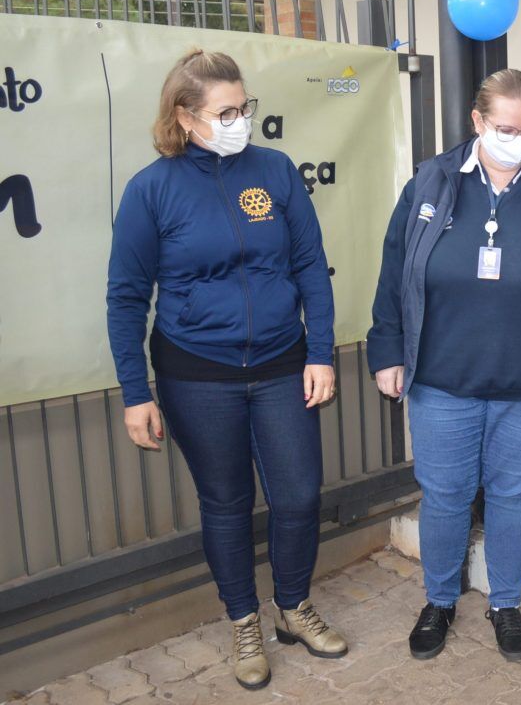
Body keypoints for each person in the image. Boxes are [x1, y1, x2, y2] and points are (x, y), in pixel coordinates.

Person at [106, 49, 347, 691]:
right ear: (185, 117)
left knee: (298, 495)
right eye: (226, 111)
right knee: (228, 502)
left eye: (246, 107)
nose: (240, 120)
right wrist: (136, 392)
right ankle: (243, 621)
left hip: (280, 364)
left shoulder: (274, 171)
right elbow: (127, 296)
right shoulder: (151, 189)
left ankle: (292, 607)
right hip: (196, 374)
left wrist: (319, 351)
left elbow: (308, 267)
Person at [367, 68, 521, 662]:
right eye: (507, 127)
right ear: (478, 122)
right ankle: (440, 599)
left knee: (514, 494)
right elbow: (395, 271)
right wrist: (388, 349)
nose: (520, 138)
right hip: (441, 378)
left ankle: (506, 603)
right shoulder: (430, 182)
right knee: (445, 495)